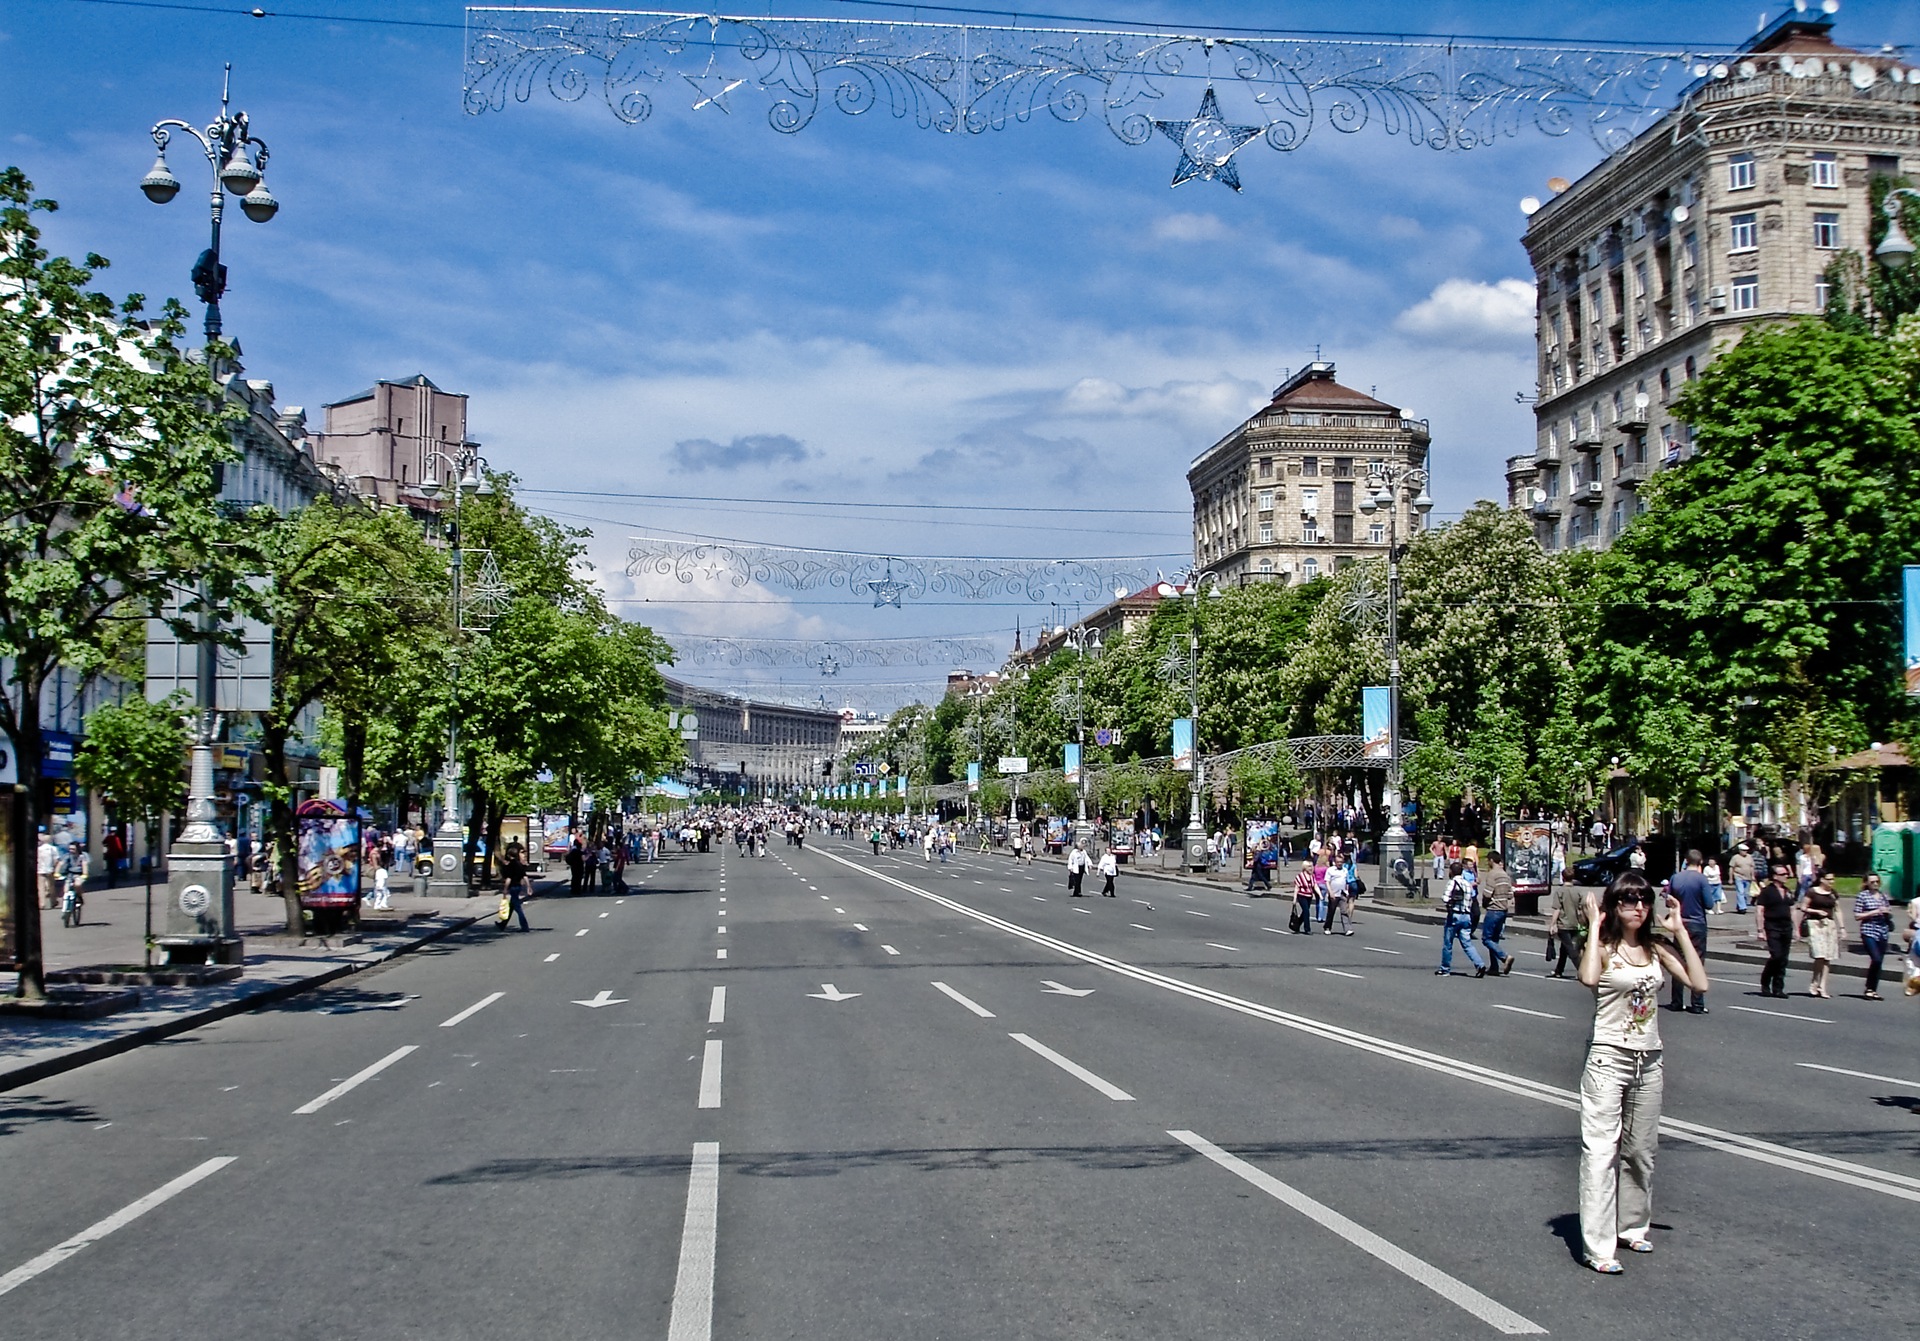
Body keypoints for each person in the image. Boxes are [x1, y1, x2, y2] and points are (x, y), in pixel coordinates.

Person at [1575, 870, 1708, 1274]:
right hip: (1607, 1058)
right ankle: (1599, 1247)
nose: (1638, 907)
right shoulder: (1604, 949)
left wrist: (1679, 930)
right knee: (1600, 1153)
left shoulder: (1654, 948)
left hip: (1649, 1058)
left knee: (1640, 1152)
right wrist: (1595, 928)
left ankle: (1632, 1225)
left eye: (1643, 901)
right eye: (1628, 901)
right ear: (1614, 906)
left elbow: (1699, 984)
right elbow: (1588, 978)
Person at [1665, 851, 1711, 1014]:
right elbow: (1709, 904)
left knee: (1679, 960)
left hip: (1680, 922)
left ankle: (1676, 1001)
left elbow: (1668, 900)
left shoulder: (1676, 877)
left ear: (1686, 861)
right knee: (1697, 961)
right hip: (1697, 923)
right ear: (1701, 862)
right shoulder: (1702, 879)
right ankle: (1697, 1003)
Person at [1796, 870, 1846, 999]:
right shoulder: (1813, 891)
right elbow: (1803, 907)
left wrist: (1842, 927)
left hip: (1829, 925)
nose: (1832, 882)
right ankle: (1814, 982)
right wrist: (1817, 911)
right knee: (1819, 955)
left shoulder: (1833, 894)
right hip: (1815, 925)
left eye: (1833, 879)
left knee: (1827, 957)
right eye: (1829, 879)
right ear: (1822, 880)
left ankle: (1822, 986)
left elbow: (1838, 910)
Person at [1752, 861, 1797, 998]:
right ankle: (1765, 981)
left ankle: (1778, 988)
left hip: (1786, 927)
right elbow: (1759, 911)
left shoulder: (1788, 892)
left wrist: (1796, 929)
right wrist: (1760, 930)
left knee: (1783, 959)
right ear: (1775, 876)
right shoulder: (1767, 892)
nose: (1786, 876)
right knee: (1776, 956)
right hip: (1772, 927)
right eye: (1783, 874)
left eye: (1786, 874)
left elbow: (1792, 909)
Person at [1436, 860, 1488, 977]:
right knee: (1467, 943)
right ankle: (1480, 964)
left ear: (1451, 872)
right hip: (1466, 916)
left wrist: (1450, 900)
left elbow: (1445, 898)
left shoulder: (1452, 882)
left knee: (1448, 943)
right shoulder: (1467, 884)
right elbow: (1470, 900)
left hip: (1454, 915)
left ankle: (1445, 969)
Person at [1854, 872, 1893, 1000]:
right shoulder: (1863, 896)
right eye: (1872, 882)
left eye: (1877, 881)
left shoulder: (1883, 896)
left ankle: (1872, 989)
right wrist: (1874, 912)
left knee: (1879, 961)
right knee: (1875, 958)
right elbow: (1857, 915)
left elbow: (1888, 911)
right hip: (1868, 930)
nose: (1875, 884)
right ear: (1867, 883)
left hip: (1882, 930)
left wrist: (1887, 912)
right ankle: (1869, 987)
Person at [1478, 852, 1516, 973]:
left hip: (1493, 909)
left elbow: (1487, 893)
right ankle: (1494, 967)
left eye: (1488, 861)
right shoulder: (1505, 875)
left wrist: (1484, 903)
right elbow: (1510, 894)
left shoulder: (1492, 874)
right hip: (1503, 910)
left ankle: (1504, 957)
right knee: (1494, 940)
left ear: (1491, 860)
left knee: (1486, 939)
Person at [1547, 876, 1586, 978]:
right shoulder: (1578, 891)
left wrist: (1552, 924)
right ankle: (1559, 970)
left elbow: (1557, 909)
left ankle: (1582, 971)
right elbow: (1582, 908)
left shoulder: (1560, 891)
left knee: (1570, 949)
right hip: (1575, 923)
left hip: (1563, 924)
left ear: (1563, 878)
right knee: (1563, 949)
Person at [1322, 858, 1352, 935]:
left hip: (1343, 893)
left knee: (1344, 911)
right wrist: (1330, 892)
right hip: (1334, 893)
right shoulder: (1330, 870)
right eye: (1338, 862)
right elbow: (1327, 882)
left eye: (1341, 862)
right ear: (1335, 862)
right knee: (1331, 911)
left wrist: (1347, 892)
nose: (1339, 863)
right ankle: (1327, 927)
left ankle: (1347, 929)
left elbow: (1347, 882)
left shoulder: (1345, 870)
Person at [37, 827, 61, 910]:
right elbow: (57, 859)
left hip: (40, 870)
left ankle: (42, 903)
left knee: (41, 887)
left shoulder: (38, 849)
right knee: (51, 886)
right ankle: (53, 901)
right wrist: (55, 867)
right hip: (50, 869)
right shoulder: (53, 848)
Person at [1728, 843, 1754, 913]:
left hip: (1748, 878)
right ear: (1739, 850)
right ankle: (1743, 908)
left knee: (1746, 893)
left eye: (1746, 850)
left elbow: (1752, 867)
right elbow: (1731, 868)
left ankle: (1740, 906)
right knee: (1740, 892)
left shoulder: (1749, 857)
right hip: (1738, 876)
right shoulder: (1735, 857)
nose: (1745, 852)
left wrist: (1753, 876)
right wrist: (1731, 878)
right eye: (1743, 850)